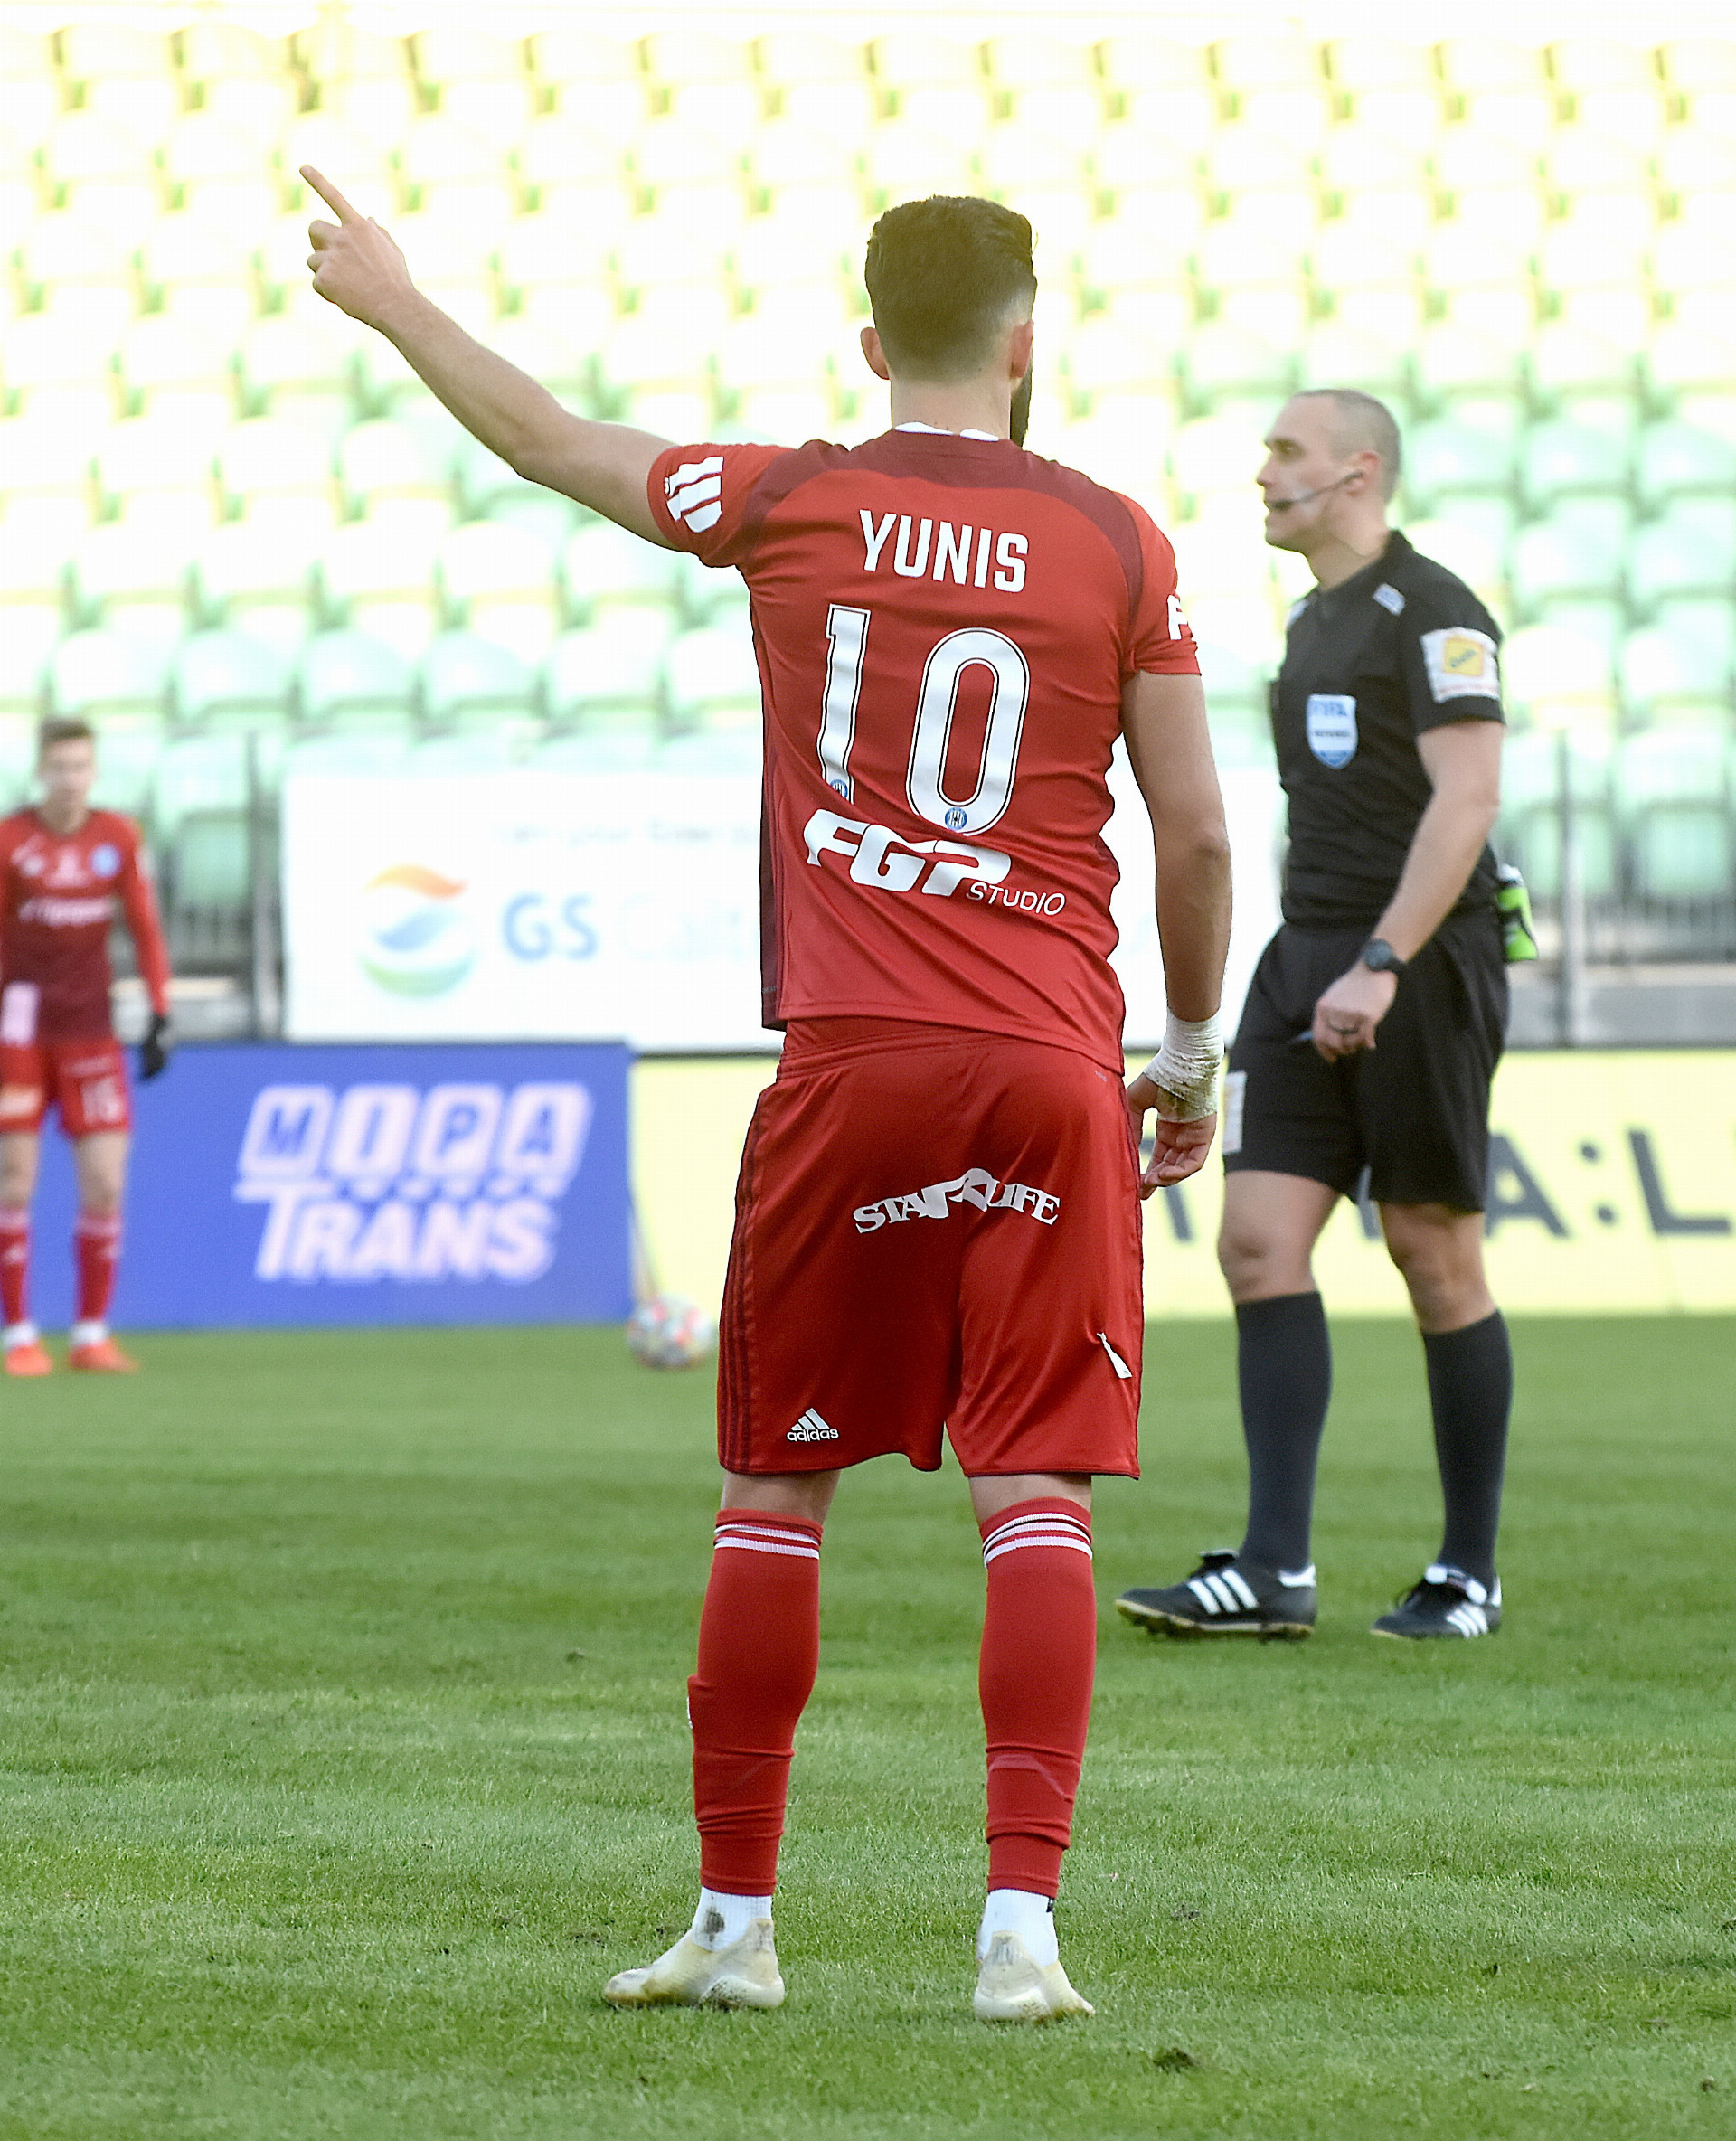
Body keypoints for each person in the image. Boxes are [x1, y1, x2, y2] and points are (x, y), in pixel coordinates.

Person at [302, 172, 1232, 2021]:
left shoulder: (789, 495)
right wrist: (1192, 1049)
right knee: (1034, 1486)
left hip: (854, 1057)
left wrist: (394, 297)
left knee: (775, 1487)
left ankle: (735, 1926)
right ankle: (1020, 1938)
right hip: (1051, 1064)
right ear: (1028, 339)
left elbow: (547, 441)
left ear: (871, 340)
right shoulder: (1121, 543)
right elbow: (1195, 829)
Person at [1117, 389, 1513, 1646]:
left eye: (1287, 451)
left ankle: (1466, 1575)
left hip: (1416, 960)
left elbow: (1468, 799)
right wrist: (1328, 958)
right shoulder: (1311, 619)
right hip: (1306, 957)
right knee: (1254, 1245)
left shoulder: (1435, 608)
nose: (1265, 472)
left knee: (1431, 1253)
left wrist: (1385, 961)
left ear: (1358, 470)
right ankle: (1274, 1567)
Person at [0, 718, 173, 1375]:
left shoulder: (117, 837)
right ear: (40, 771)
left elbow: (145, 927)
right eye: (59, 767)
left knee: (105, 1183)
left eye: (80, 767)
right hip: (20, 1029)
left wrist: (160, 1011)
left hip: (92, 1030)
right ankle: (20, 1334)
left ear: (93, 772)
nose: (70, 780)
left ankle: (91, 1334)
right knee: (15, 1180)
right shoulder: (11, 840)